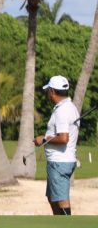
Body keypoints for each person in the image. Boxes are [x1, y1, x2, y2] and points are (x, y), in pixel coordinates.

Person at [35, 75, 80, 215]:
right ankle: (59, 225)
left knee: (61, 199)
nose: (48, 93)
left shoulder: (62, 111)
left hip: (60, 162)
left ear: (52, 91)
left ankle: (68, 226)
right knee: (52, 198)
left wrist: (44, 140)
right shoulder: (68, 107)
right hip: (60, 161)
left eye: (48, 90)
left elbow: (63, 138)